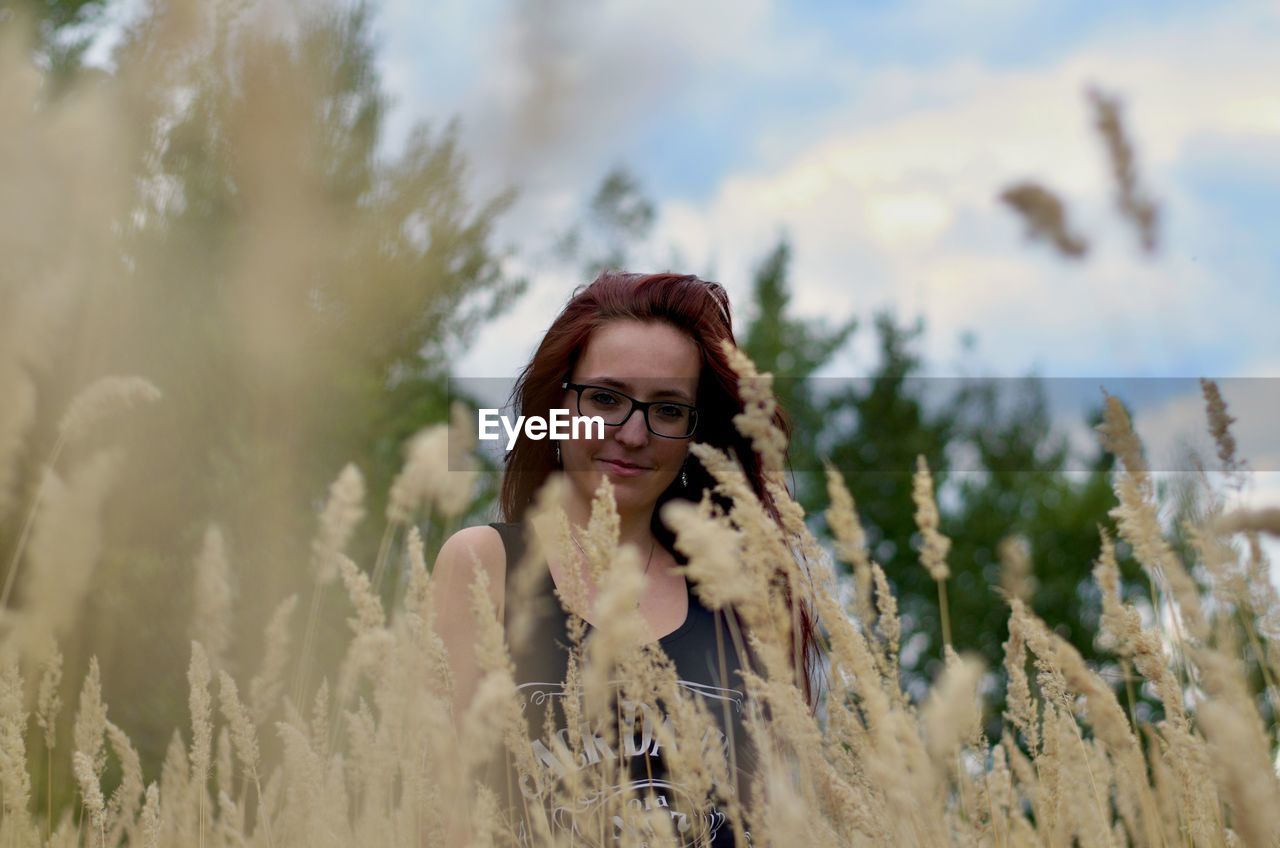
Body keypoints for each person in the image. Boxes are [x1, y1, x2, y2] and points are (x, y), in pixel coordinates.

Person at [430, 271, 821, 847]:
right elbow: (438, 809)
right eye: (606, 398)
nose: (633, 434)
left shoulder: (739, 603)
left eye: (667, 410)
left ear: (695, 433)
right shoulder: (484, 565)